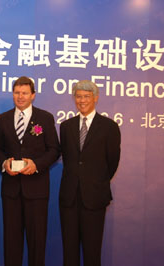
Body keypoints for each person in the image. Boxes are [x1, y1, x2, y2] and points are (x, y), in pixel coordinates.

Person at [0, 76, 60, 266]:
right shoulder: (3, 118)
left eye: (24, 93)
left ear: (33, 95)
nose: (20, 97)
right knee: (11, 241)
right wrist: (4, 162)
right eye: (17, 93)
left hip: (37, 190)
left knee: (37, 241)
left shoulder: (45, 117)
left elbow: (54, 150)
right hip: (11, 190)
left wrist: (37, 165)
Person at [59, 80, 121, 266]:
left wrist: (95, 181)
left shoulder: (109, 127)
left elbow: (112, 162)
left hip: (94, 197)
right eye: (78, 96)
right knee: (69, 251)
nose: (82, 100)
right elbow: (69, 157)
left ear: (95, 98)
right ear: (74, 99)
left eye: (86, 96)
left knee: (92, 251)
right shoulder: (66, 126)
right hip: (69, 197)